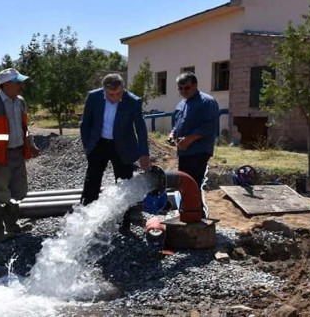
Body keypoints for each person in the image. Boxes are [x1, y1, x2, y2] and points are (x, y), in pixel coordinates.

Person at [80, 73, 151, 231]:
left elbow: (140, 128)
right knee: (92, 183)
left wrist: (144, 153)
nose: (115, 98)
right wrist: (87, 146)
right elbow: (86, 123)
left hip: (123, 147)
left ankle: (124, 224)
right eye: (111, 95)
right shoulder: (94, 97)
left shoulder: (133, 101)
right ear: (104, 90)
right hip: (99, 144)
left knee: (124, 184)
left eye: (119, 93)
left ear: (123, 89)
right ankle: (87, 222)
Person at [0, 68, 40, 242]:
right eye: (17, 82)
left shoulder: (20, 102)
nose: (21, 85)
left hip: (17, 154)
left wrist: (30, 144)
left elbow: (24, 128)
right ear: (6, 85)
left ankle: (12, 226)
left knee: (18, 193)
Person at [167, 72, 219, 214]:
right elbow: (177, 123)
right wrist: (173, 134)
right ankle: (187, 213)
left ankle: (196, 216)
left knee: (193, 184)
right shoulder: (182, 104)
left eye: (187, 88)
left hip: (199, 150)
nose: (184, 91)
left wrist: (190, 139)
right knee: (183, 184)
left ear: (195, 85)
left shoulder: (207, 102)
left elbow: (210, 126)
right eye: (180, 89)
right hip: (184, 151)